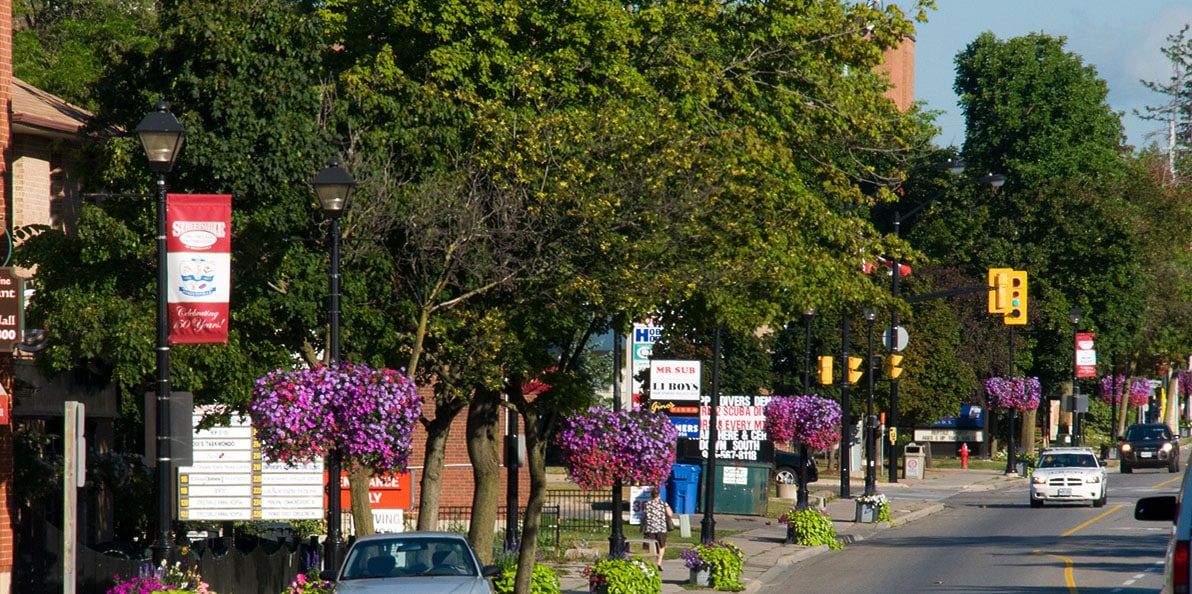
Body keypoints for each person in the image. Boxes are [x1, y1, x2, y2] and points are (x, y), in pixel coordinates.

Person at [641, 486, 674, 570]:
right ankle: (659, 562)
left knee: (650, 545)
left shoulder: (647, 504)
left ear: (651, 495)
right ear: (659, 494)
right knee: (661, 546)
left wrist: (642, 526)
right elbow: (670, 514)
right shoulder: (663, 503)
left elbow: (644, 516)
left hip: (650, 528)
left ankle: (651, 562)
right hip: (661, 528)